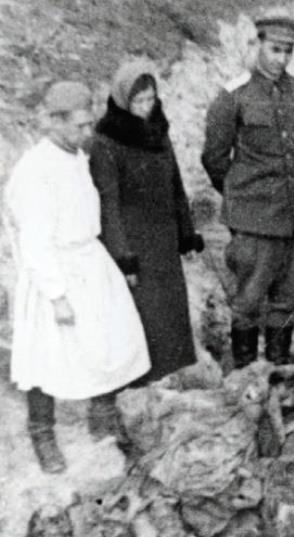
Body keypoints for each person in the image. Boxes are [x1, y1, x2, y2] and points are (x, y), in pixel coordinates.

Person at [5, 81, 151, 473]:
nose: (90, 133)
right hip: (56, 271)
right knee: (46, 357)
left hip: (89, 261)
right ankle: (43, 435)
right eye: (81, 126)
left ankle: (102, 420)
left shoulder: (74, 157)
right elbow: (34, 242)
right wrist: (57, 296)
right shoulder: (35, 171)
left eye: (91, 124)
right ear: (54, 123)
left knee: (111, 340)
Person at [202, 17, 294, 367]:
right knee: (248, 301)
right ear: (258, 45)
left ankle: (279, 372)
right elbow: (215, 159)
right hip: (254, 220)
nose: (281, 59)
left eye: (287, 51)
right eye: (274, 49)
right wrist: (242, 196)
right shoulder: (234, 94)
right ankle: (247, 375)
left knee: (287, 298)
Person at [90, 60, 203, 384]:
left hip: (164, 243)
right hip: (135, 245)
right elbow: (108, 205)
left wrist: (186, 234)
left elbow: (176, 187)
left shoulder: (158, 132)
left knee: (170, 320)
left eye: (150, 100)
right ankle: (141, 391)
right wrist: (123, 258)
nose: (145, 108)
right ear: (124, 101)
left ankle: (168, 387)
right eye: (138, 102)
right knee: (143, 322)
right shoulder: (106, 141)